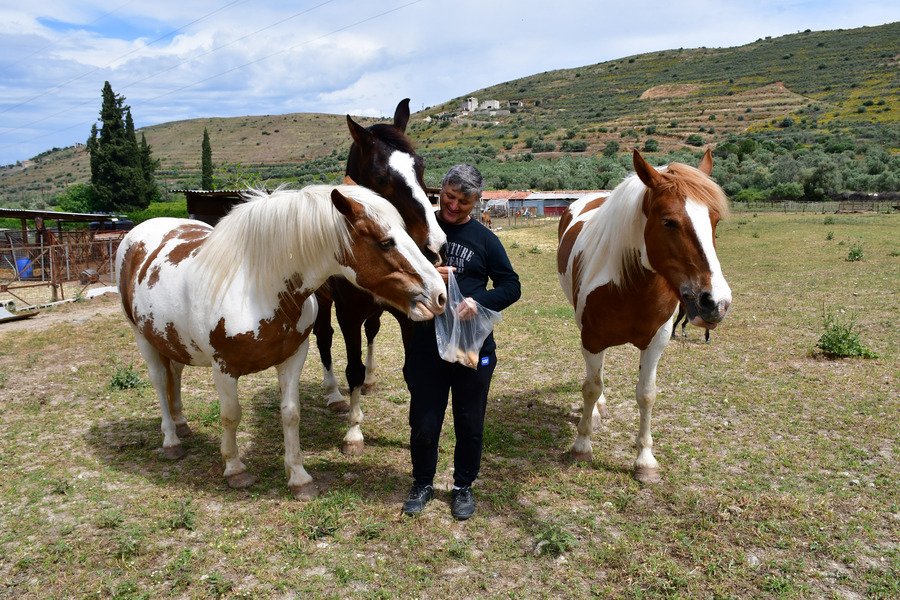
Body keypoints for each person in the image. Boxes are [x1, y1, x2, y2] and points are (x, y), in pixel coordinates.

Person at [402, 164, 521, 520]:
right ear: (441, 192)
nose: (454, 207)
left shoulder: (485, 239)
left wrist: (479, 301)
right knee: (424, 421)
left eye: (464, 202)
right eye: (450, 198)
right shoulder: (420, 231)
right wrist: (424, 272)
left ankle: (462, 487)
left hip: (472, 349)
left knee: (470, 422)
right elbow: (395, 273)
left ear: (476, 202)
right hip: (425, 345)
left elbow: (511, 285)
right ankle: (422, 483)